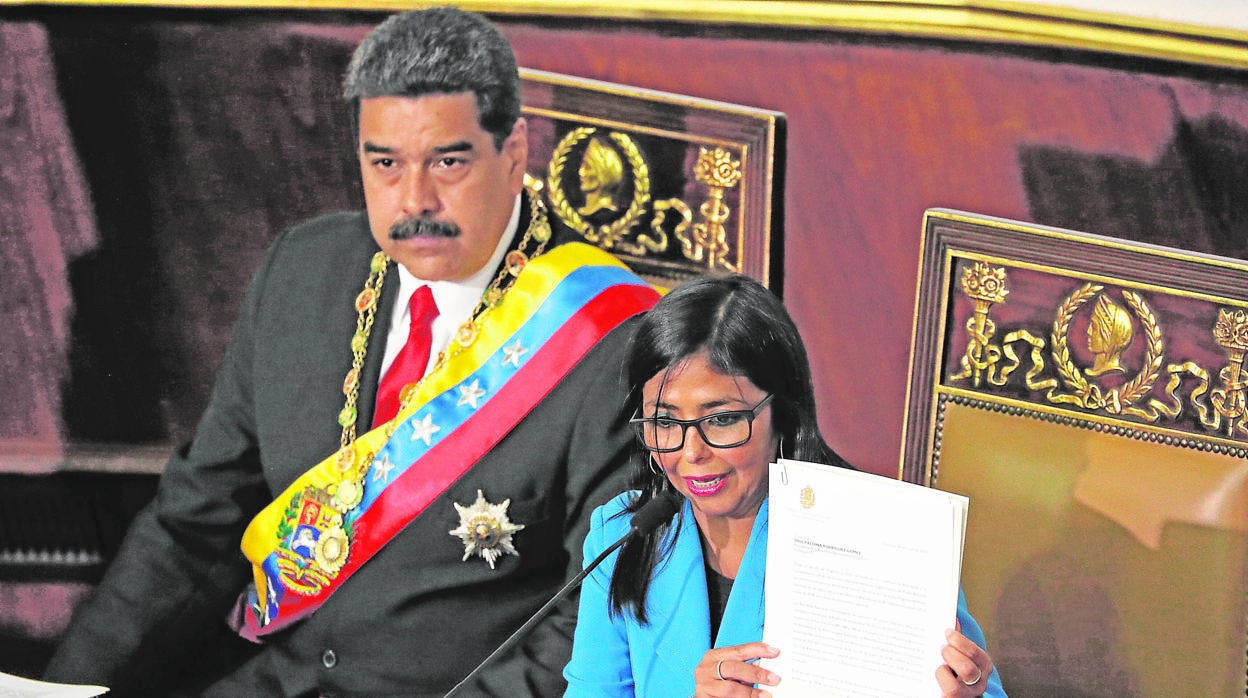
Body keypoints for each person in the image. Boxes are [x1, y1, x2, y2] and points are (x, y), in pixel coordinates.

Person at [44, 7, 659, 697]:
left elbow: (587, 630)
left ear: (513, 154)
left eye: (448, 161)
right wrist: (66, 691)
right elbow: (194, 527)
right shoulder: (300, 274)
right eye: (386, 164)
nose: (414, 199)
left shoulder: (615, 339)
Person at [563, 274, 1006, 697]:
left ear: (782, 415)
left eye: (720, 419)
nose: (691, 452)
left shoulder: (879, 533)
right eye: (664, 422)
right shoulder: (621, 535)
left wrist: (962, 693)